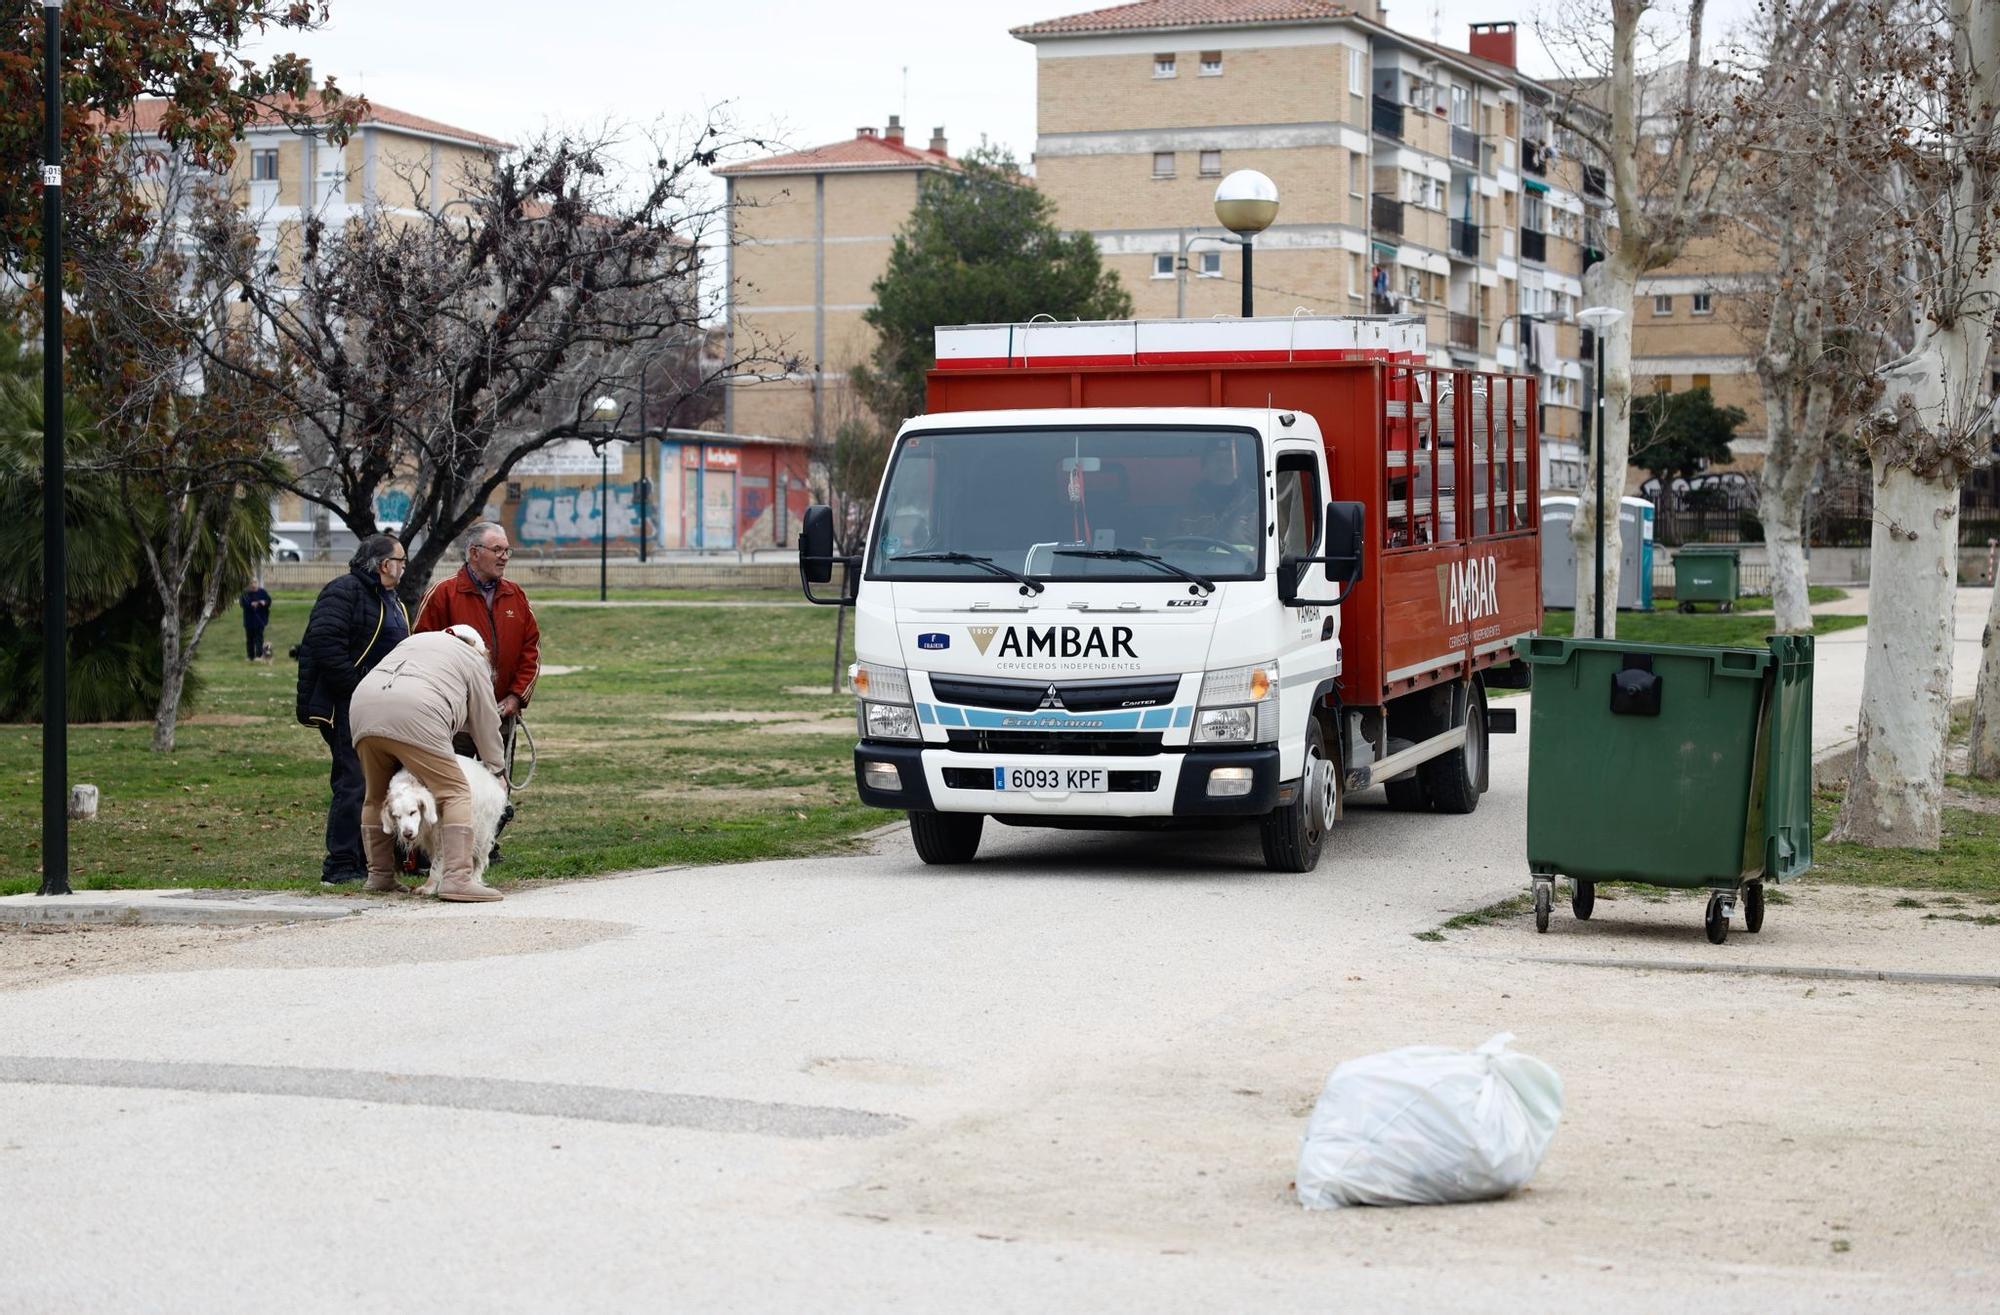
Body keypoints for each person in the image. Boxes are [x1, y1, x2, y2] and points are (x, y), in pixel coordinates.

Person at [350, 625, 508, 902]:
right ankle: (457, 879)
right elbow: (486, 721)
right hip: (417, 712)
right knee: (455, 791)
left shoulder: (417, 641)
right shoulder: (472, 658)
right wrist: (496, 768)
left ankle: (379, 876)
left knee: (375, 797)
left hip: (363, 708)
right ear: (478, 648)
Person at [414, 521, 540, 857]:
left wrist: (516, 696)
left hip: (501, 712)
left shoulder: (515, 594)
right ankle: (441, 850)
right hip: (455, 717)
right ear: (474, 553)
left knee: (495, 783)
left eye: (506, 550)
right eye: (497, 550)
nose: (504, 557)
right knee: (450, 782)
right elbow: (421, 648)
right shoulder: (443, 594)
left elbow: (531, 649)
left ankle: (486, 844)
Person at [296, 535, 410, 885]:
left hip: (382, 707)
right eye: (401, 559)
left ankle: (370, 859)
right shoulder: (343, 591)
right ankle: (341, 864)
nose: (405, 566)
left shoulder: (393, 600)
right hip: (348, 705)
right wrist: (359, 686)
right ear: (383, 564)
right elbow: (324, 644)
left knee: (379, 784)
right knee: (353, 782)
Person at [240, 576, 272, 661]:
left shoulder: (262, 592)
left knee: (259, 638)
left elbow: (268, 601)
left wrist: (264, 602)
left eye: (255, 582)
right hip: (249, 620)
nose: (253, 585)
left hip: (260, 620)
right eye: (251, 583)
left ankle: (259, 655)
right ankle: (250, 656)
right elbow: (243, 604)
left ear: (257, 583)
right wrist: (251, 605)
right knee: (250, 639)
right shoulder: (245, 594)